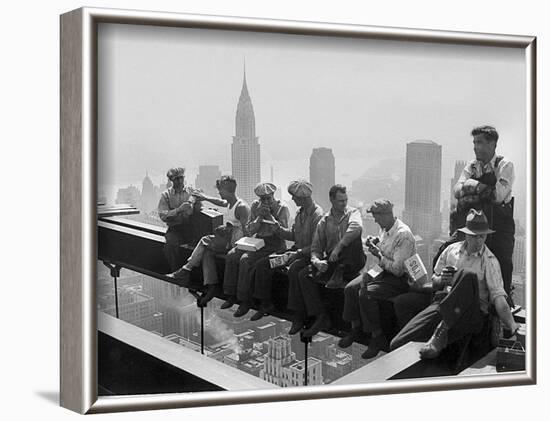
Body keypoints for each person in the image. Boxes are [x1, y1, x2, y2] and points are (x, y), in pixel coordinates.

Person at [390, 209, 520, 360]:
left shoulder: (489, 261)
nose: (479, 241)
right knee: (397, 343)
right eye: (474, 236)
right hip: (444, 304)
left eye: (482, 236)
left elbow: (499, 297)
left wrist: (512, 324)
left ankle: (441, 332)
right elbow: (435, 281)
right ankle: (433, 343)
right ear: (466, 235)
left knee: (467, 275)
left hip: (471, 312)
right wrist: (442, 280)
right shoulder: (451, 251)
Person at [339, 199, 416, 359]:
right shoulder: (385, 229)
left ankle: (377, 336)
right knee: (350, 289)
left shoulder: (403, 234)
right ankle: (355, 328)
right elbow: (385, 252)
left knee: (366, 293)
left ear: (387, 215)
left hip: (398, 279)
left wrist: (378, 254)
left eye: (376, 216)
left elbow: (398, 269)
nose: (375, 220)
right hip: (381, 270)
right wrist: (376, 243)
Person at [453, 125, 515, 302]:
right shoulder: (472, 166)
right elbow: (457, 191)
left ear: (493, 144)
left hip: (499, 226)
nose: (475, 147)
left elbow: (497, 196)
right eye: (474, 142)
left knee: (502, 264)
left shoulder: (504, 166)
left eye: (479, 142)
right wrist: (480, 188)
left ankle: (501, 310)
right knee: (455, 255)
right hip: (474, 225)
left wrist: (472, 186)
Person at [166, 176, 250, 305]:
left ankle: (185, 270)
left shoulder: (241, 207)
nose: (219, 193)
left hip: (235, 244)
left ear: (226, 191)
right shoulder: (231, 202)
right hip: (228, 240)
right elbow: (220, 202)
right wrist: (204, 197)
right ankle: (211, 287)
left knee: (205, 240)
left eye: (220, 190)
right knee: (207, 253)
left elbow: (248, 231)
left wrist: (229, 228)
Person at [296, 184, 366, 338]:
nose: (344, 204)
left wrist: (339, 246)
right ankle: (320, 315)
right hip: (334, 262)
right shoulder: (324, 221)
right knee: (303, 275)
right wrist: (317, 262)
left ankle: (339, 272)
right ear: (332, 200)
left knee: (351, 238)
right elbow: (316, 248)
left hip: (352, 260)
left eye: (345, 200)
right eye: (340, 201)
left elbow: (356, 227)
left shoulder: (353, 213)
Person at [251, 180, 324, 324]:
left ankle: (298, 313)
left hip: (307, 256)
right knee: (264, 265)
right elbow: (293, 235)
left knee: (294, 270)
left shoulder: (317, 215)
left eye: (295, 196)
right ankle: (265, 303)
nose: (293, 199)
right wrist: (277, 228)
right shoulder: (300, 212)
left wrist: (297, 253)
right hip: (295, 252)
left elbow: (317, 246)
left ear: (303, 197)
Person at [221, 182, 290, 318]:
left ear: (273, 196)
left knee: (246, 260)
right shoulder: (255, 206)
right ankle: (230, 293)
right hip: (257, 241)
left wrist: (270, 217)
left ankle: (245, 299)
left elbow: (284, 233)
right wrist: (259, 217)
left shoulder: (282, 208)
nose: (265, 202)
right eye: (262, 199)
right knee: (231, 256)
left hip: (274, 245)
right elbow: (249, 231)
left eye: (268, 198)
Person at [157, 167, 200, 271]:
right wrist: (178, 210)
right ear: (171, 180)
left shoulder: (191, 191)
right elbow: (163, 215)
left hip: (191, 228)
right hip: (175, 228)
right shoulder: (166, 195)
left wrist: (193, 202)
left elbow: (198, 201)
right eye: (177, 179)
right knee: (171, 246)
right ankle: (175, 271)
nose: (180, 181)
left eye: (181, 178)